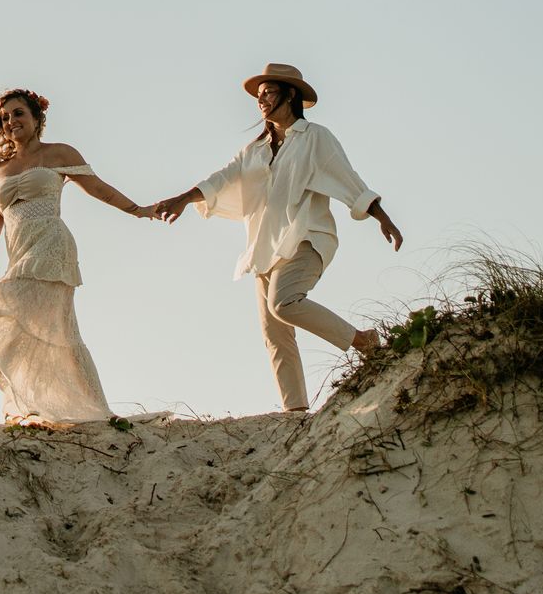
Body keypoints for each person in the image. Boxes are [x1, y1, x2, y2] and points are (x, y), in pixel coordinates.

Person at [152, 64, 403, 413]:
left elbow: (349, 180)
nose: (261, 101)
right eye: (258, 97)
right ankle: (295, 412)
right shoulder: (253, 151)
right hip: (264, 246)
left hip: (307, 238)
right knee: (275, 335)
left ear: (290, 95)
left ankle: (364, 341)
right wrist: (182, 198)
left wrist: (381, 217)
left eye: (268, 93)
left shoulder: (315, 137)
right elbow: (220, 179)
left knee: (284, 303)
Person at [0, 88, 153, 424]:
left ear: (36, 117)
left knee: (16, 318)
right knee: (54, 331)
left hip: (51, 244)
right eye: (5, 117)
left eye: (18, 113)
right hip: (20, 251)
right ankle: (95, 410)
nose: (11, 121)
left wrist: (138, 210)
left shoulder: (59, 154)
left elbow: (99, 188)